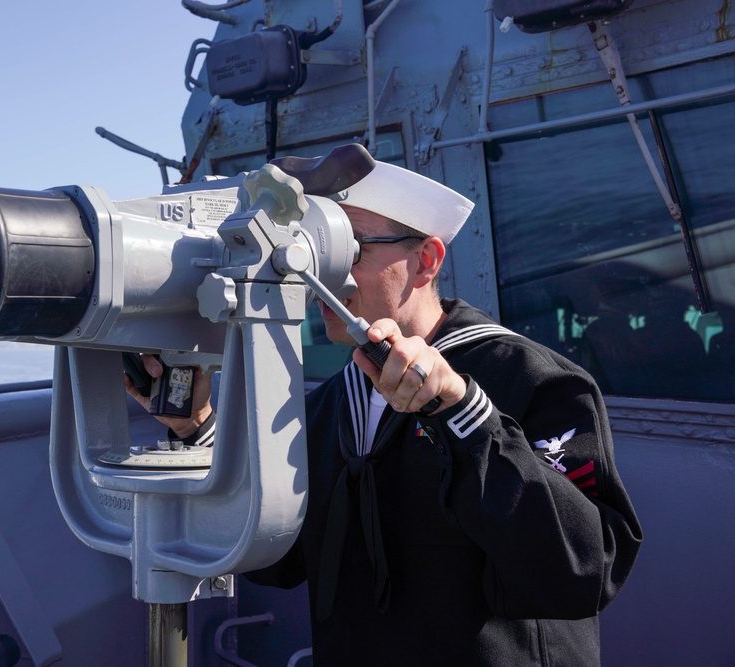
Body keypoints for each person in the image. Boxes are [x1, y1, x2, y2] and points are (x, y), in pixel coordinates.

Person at [126, 148, 642, 665]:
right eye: (316, 251)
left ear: (427, 261)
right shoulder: (331, 406)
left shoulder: (533, 381)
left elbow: (585, 570)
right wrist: (199, 430)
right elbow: (276, 559)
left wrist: (464, 415)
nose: (328, 279)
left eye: (350, 252)